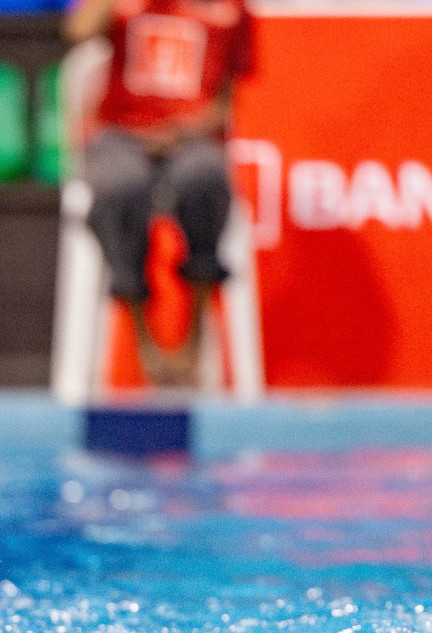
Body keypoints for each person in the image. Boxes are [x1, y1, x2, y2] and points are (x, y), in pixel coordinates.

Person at [65, 0, 255, 386]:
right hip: (121, 134)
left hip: (191, 136)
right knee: (120, 186)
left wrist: (182, 132)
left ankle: (195, 334)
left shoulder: (231, 9)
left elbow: (225, 102)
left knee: (205, 177)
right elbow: (78, 32)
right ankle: (143, 334)